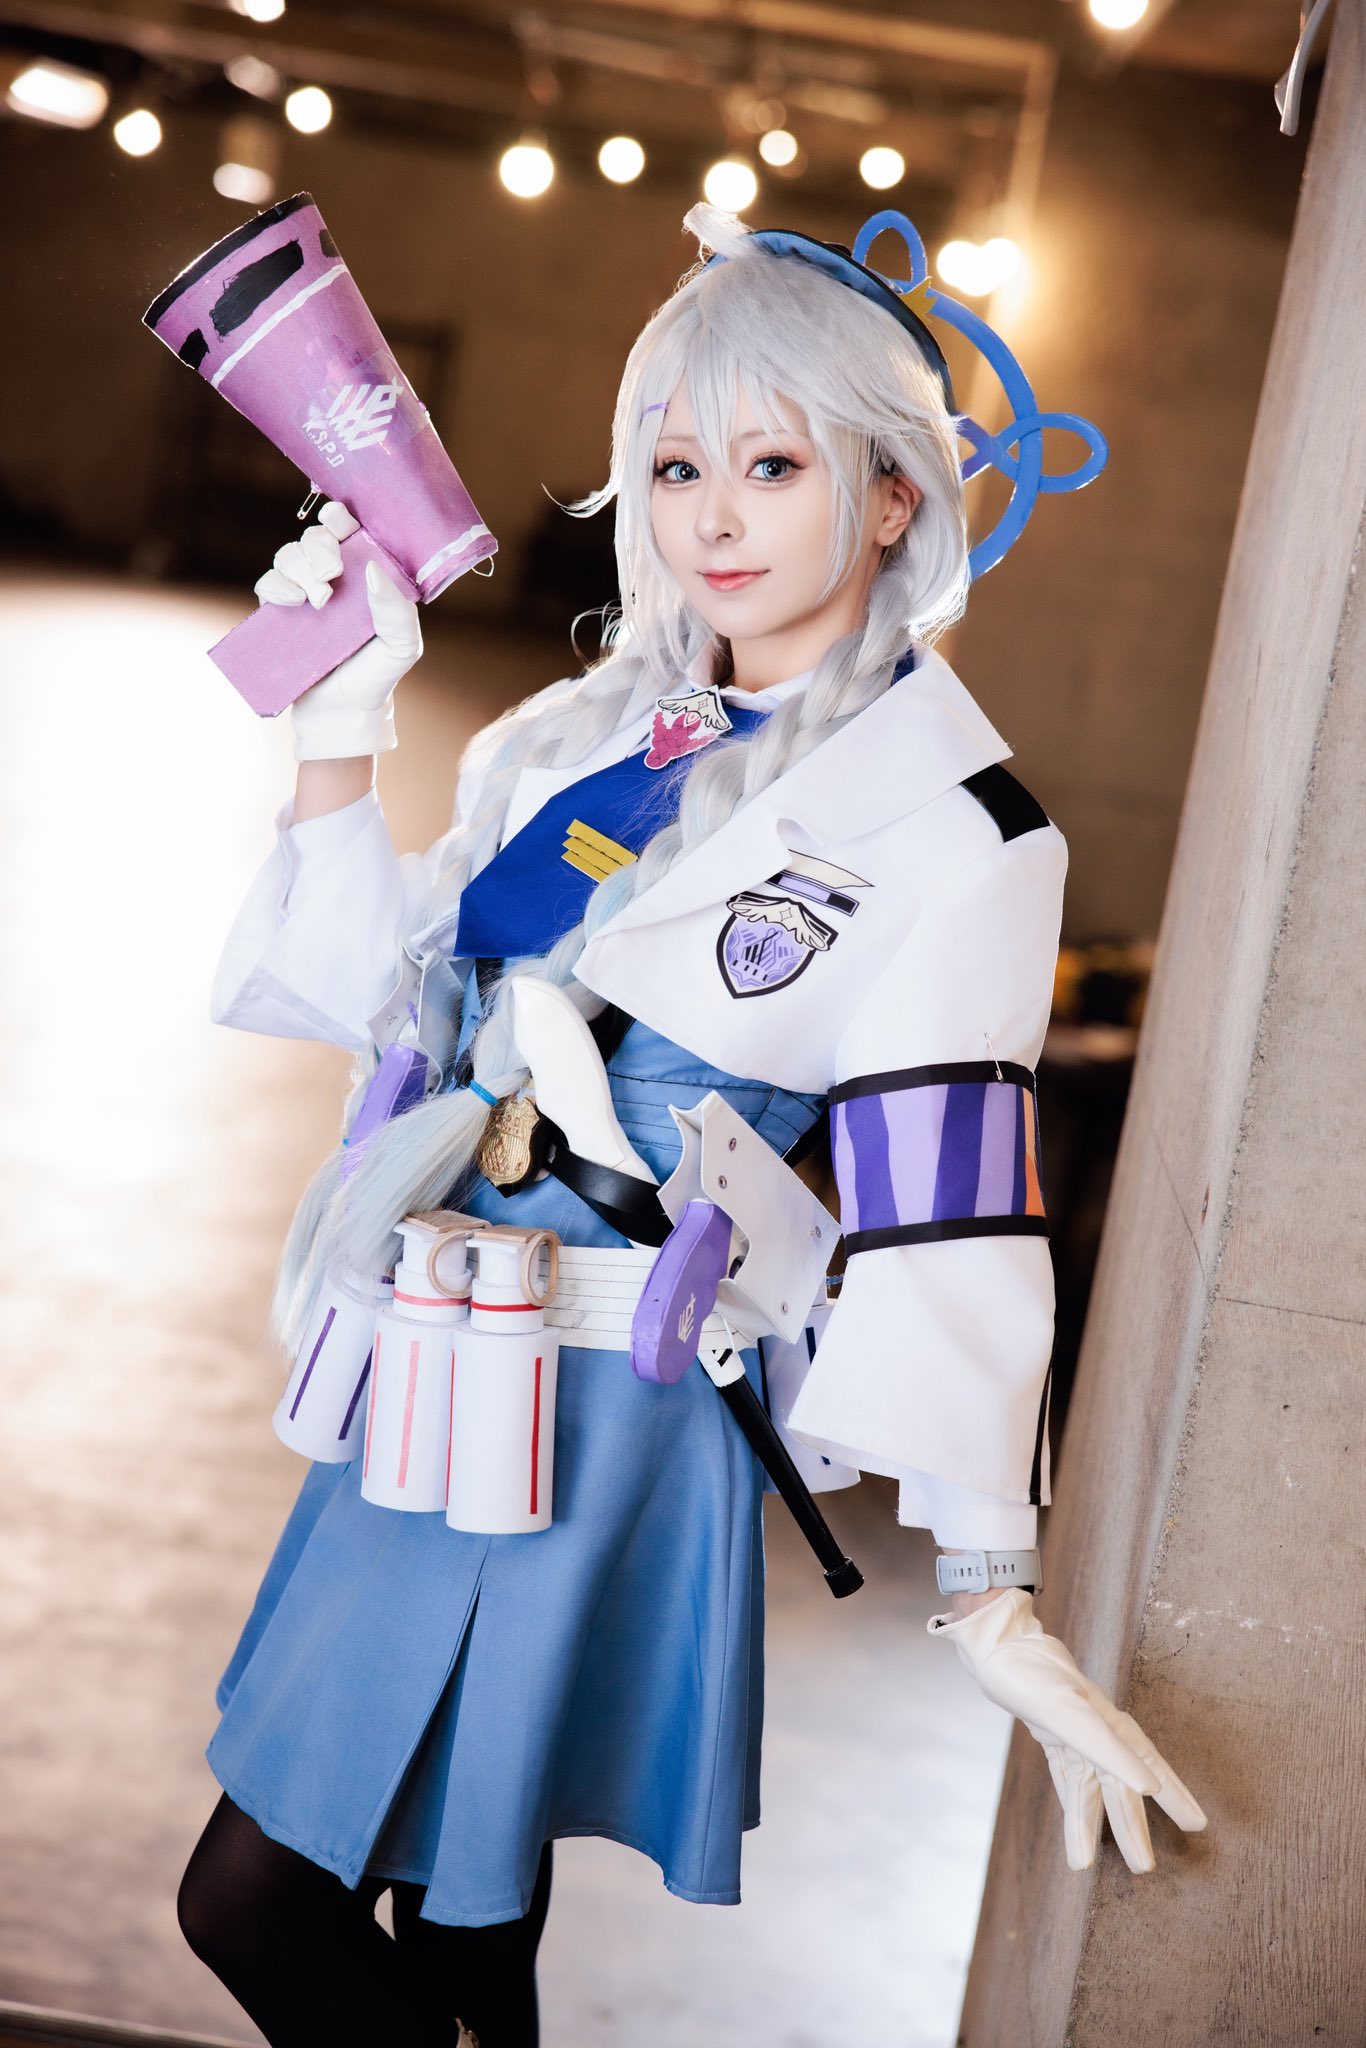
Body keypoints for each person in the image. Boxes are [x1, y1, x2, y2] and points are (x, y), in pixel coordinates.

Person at [176, 201, 1205, 2046]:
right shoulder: (589, 738)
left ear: (890, 495)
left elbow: (950, 1196)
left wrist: (989, 1586)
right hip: (434, 1362)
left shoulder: (957, 830)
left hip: (607, 1400)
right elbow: (388, 1002)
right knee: (464, 1929)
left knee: (256, 1902)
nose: (710, 517)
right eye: (673, 466)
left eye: (769, 465)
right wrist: (339, 725)